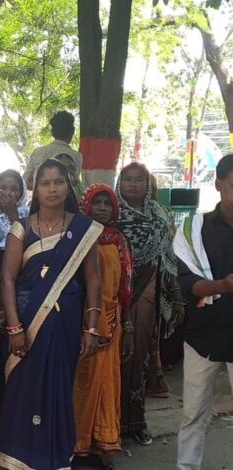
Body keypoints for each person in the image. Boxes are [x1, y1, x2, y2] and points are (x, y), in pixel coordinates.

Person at [0, 158, 102, 470]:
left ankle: (53, 459)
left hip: (65, 326)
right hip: (28, 324)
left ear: (68, 186)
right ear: (35, 189)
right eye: (45, 183)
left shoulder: (83, 229)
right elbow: (7, 280)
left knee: (57, 390)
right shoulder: (22, 228)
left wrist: (91, 327)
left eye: (58, 182)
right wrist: (14, 328)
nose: (52, 189)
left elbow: (94, 280)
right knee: (23, 391)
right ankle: (17, 458)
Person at [116, 161, 183, 446]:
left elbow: (168, 259)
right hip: (115, 298)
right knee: (113, 361)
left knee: (140, 358)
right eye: (128, 179)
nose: (133, 184)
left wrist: (177, 297)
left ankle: (136, 421)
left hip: (148, 296)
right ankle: (109, 424)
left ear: (148, 185)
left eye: (139, 180)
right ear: (120, 183)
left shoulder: (160, 216)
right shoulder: (111, 214)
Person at [174, 154, 233, 470]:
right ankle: (187, 466)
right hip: (204, 335)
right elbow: (187, 283)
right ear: (219, 184)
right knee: (193, 412)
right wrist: (223, 285)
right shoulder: (195, 230)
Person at [73, 183, 135, 470]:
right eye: (96, 202)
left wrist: (127, 326)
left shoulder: (119, 241)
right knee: (82, 383)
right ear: (86, 205)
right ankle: (77, 445)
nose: (101, 208)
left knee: (107, 384)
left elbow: (126, 286)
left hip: (113, 322)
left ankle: (101, 443)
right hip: (82, 321)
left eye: (106, 203)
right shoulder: (77, 237)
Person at [0, 169, 29, 416]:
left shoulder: (29, 218)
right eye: (3, 188)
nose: (8, 194)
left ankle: (13, 411)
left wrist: (13, 216)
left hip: (18, 292)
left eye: (14, 189)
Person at [24, 111, 83, 190]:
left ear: (52, 132)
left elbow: (24, 182)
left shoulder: (37, 152)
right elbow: (73, 185)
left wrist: (41, 185)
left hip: (38, 197)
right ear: (73, 131)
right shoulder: (76, 156)